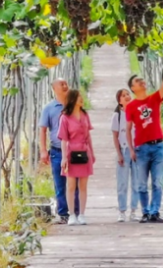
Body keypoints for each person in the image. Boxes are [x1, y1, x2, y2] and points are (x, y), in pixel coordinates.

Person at [125, 59, 163, 223]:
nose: (142, 82)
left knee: (158, 182)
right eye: (137, 81)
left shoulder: (154, 99)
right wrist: (131, 149)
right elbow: (128, 128)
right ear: (133, 88)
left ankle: (154, 212)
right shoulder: (131, 107)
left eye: (142, 80)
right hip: (141, 148)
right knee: (141, 184)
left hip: (158, 146)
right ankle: (145, 212)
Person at [57, 88, 95, 226]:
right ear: (73, 99)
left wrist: (92, 152)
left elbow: (88, 135)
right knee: (71, 185)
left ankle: (82, 214)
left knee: (83, 185)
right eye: (79, 97)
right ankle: (72, 214)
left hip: (84, 151)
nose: (81, 99)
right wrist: (64, 158)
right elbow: (64, 139)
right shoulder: (65, 117)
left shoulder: (84, 115)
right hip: (71, 152)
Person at [38, 78, 71, 223]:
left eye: (65, 84)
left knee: (75, 182)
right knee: (60, 183)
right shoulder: (49, 108)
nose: (65, 86)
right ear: (54, 89)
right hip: (57, 151)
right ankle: (63, 213)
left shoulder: (74, 105)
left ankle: (76, 212)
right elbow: (43, 130)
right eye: (61, 84)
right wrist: (43, 150)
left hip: (73, 150)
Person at [111, 88, 139, 222]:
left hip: (138, 150)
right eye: (123, 95)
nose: (127, 96)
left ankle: (134, 210)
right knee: (122, 182)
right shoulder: (117, 116)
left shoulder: (138, 112)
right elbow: (115, 137)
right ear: (119, 101)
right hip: (124, 150)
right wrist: (119, 154)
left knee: (137, 182)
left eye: (128, 94)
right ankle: (122, 210)